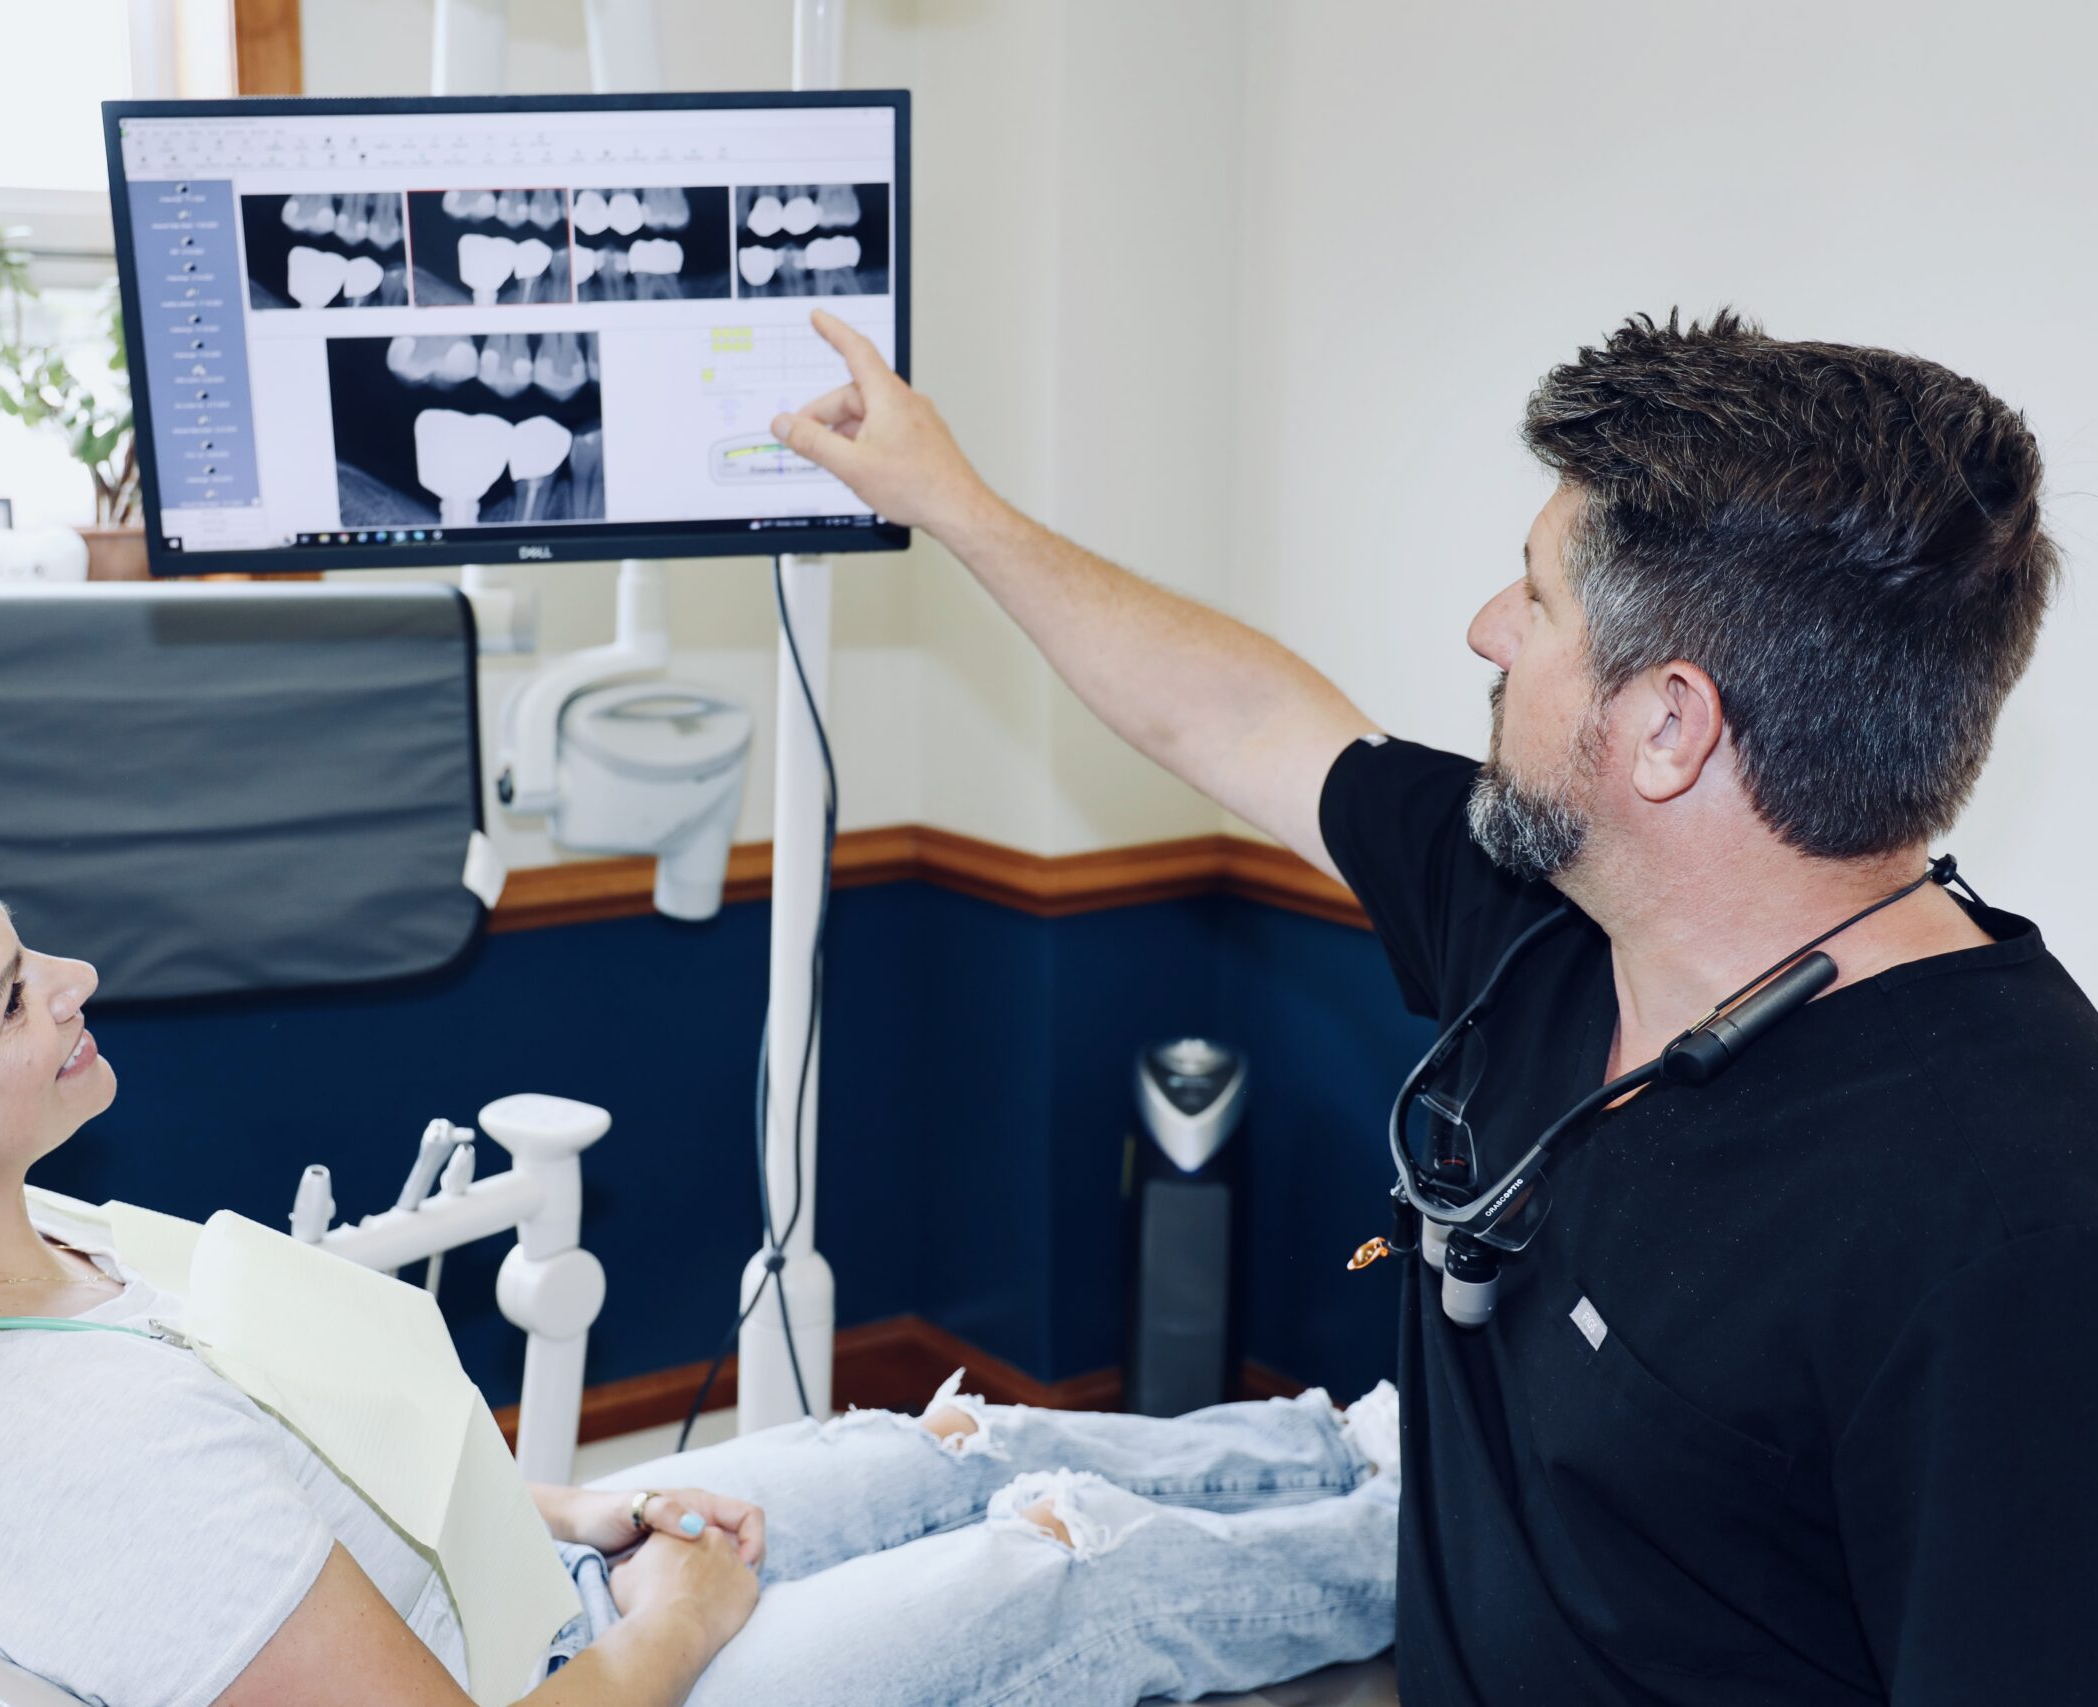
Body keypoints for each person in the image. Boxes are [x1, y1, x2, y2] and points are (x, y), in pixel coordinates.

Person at [767, 306, 2098, 1704]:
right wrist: (949, 502)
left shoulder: (2012, 1225)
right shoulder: (1553, 918)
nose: (1487, 631)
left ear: (1668, 724)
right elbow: (1235, 719)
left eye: (1536, 598)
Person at [0, 827, 1397, 1707]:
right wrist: (677, 1625)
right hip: (544, 1689)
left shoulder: (22, 1248)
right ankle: (1448, 1538)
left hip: (519, 1589)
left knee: (928, 1452)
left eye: (27, 946)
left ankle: (1360, 1447)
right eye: (12, 997)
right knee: (1046, 1578)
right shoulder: (68, 1464)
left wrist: (578, 1518)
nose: (76, 986)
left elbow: (311, 1461)